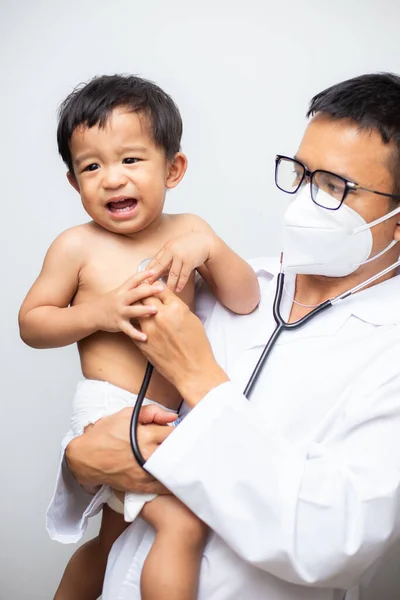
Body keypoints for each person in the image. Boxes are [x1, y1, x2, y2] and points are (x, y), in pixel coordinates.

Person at [61, 72, 400, 600]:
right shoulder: (230, 282)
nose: (308, 199)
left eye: (335, 187)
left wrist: (200, 377)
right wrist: (78, 460)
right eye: (302, 173)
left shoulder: (390, 354)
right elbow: (125, 397)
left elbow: (331, 542)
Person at [18, 74, 260, 600]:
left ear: (173, 169)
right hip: (107, 408)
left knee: (115, 539)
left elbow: (245, 300)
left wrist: (210, 250)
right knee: (182, 524)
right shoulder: (76, 246)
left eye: (130, 160)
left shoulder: (191, 230)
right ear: (73, 182)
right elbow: (32, 324)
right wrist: (98, 312)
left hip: (170, 413)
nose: (111, 179)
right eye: (91, 166)